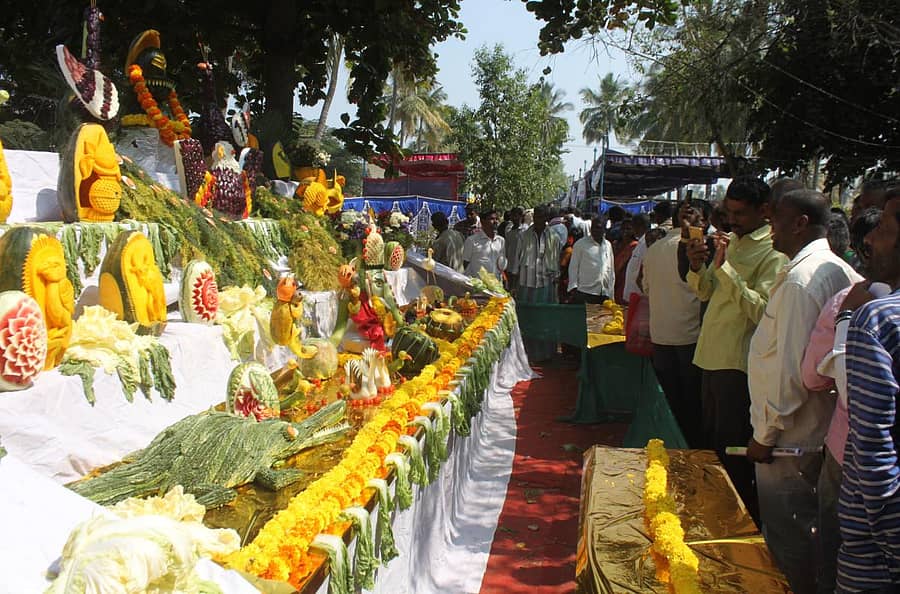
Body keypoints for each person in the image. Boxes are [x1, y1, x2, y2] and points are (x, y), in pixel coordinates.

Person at [746, 189, 861, 594]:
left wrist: (765, 435)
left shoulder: (802, 280)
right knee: (811, 535)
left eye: (776, 216)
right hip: (813, 431)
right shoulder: (835, 269)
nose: (769, 225)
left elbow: (791, 374)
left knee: (788, 539)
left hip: (790, 438)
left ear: (799, 223)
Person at [684, 177, 786, 519]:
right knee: (711, 444)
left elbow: (761, 310)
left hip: (736, 363)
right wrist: (698, 265)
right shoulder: (734, 242)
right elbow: (705, 292)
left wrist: (725, 268)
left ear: (764, 211)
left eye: (740, 213)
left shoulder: (772, 251)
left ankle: (735, 523)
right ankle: (715, 514)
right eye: (729, 212)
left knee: (732, 452)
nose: (733, 219)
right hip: (710, 355)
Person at [799, 207, 882, 594]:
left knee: (840, 552)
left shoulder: (855, 305)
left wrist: (846, 320)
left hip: (849, 452)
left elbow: (813, 376)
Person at [837, 188, 900, 593]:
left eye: (884, 229)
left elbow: (874, 451)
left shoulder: (875, 321)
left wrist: (894, 551)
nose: (870, 240)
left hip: (878, 555)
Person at [642, 202, 704, 448]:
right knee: (690, 403)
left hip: (661, 334)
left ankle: (667, 444)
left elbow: (645, 287)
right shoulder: (698, 249)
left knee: (669, 399)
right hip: (691, 336)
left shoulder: (654, 249)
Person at [511, 204, 561, 363]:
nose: (539, 219)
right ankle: (527, 355)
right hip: (526, 284)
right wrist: (513, 285)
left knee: (545, 320)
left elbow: (557, 263)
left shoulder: (554, 236)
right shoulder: (523, 236)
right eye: (537, 216)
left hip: (546, 286)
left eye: (542, 216)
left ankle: (546, 355)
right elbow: (515, 263)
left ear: (546, 218)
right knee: (527, 319)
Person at [568, 215, 615, 304]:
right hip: (585, 293)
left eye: (598, 228)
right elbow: (573, 267)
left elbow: (611, 270)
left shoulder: (608, 245)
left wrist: (611, 293)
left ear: (604, 229)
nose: (594, 230)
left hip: (603, 293)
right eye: (593, 227)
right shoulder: (580, 244)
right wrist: (573, 288)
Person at [463, 209, 505, 279]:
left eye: (496, 219)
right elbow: (466, 263)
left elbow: (501, 262)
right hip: (477, 285)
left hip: (495, 284)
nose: (495, 222)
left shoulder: (501, 241)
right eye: (491, 219)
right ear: (483, 221)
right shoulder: (472, 240)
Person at [623, 214, 651, 301]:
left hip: (639, 297)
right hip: (633, 296)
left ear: (639, 226)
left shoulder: (645, 244)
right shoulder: (640, 242)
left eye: (633, 226)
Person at [613, 216, 639, 304]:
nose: (625, 231)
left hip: (625, 282)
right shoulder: (616, 244)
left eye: (628, 229)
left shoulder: (635, 246)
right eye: (623, 228)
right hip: (614, 283)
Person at [504, 207, 527, 288]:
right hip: (509, 263)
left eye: (515, 216)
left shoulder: (525, 230)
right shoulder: (508, 229)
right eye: (512, 216)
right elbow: (507, 246)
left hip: (519, 265)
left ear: (521, 217)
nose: (513, 218)